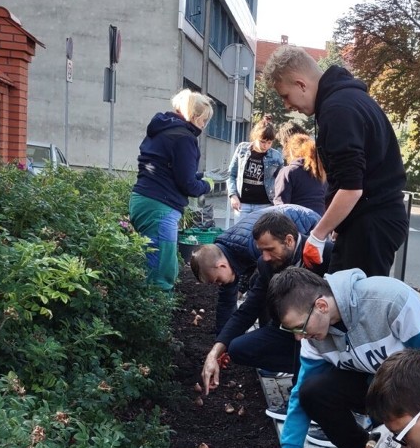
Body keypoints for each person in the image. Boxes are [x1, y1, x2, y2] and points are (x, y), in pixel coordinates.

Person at [267, 268, 420, 448]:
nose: (300, 338)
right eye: (292, 331)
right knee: (312, 391)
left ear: (321, 306)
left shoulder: (390, 301)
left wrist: (401, 431)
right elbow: (299, 400)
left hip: (417, 401)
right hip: (377, 394)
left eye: (300, 327)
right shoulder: (314, 336)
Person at [264, 46, 408, 276]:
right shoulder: (347, 100)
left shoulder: (337, 110)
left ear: (301, 84)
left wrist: (317, 235)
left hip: (372, 223)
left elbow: (351, 188)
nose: (287, 105)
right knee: (344, 298)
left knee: (352, 304)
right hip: (372, 220)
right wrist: (338, 225)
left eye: (285, 96)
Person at [199, 208, 328, 398]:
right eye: (261, 250)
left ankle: (303, 389)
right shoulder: (266, 265)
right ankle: (300, 368)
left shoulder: (324, 255)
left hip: (323, 331)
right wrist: (215, 352)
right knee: (238, 349)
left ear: (289, 241)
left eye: (270, 250)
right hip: (294, 333)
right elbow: (248, 310)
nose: (264, 257)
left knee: (304, 340)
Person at [129, 88, 213, 290]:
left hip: (143, 199)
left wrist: (197, 175)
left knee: (155, 264)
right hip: (161, 206)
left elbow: (165, 167)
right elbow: (188, 185)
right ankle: (155, 317)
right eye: (203, 121)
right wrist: (207, 185)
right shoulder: (184, 138)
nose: (203, 126)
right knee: (161, 273)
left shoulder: (162, 129)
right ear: (194, 116)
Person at [190, 204, 319, 334]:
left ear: (222, 266)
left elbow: (267, 290)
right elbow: (226, 302)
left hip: (308, 223)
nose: (218, 284)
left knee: (277, 291)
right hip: (283, 221)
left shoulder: (254, 247)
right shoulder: (225, 252)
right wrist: (222, 341)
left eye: (217, 280)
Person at [227, 117, 284, 218]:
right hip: (242, 204)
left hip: (265, 205)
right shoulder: (242, 149)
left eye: (269, 143)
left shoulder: (276, 156)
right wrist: (233, 196)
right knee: (241, 233)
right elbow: (231, 174)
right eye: (262, 141)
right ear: (255, 137)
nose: (265, 146)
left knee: (262, 234)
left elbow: (281, 181)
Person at [273, 132, 327, 214]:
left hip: (296, 221)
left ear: (291, 151)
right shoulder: (321, 172)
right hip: (320, 220)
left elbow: (280, 205)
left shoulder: (288, 172)